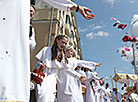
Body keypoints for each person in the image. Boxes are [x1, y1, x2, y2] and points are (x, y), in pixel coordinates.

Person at [0, 0, 95, 101]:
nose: (64, 45)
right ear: (57, 41)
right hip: (43, 77)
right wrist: (40, 67)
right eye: (63, 42)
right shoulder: (46, 50)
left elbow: (69, 68)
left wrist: (78, 76)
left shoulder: (61, 56)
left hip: (51, 79)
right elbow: (38, 60)